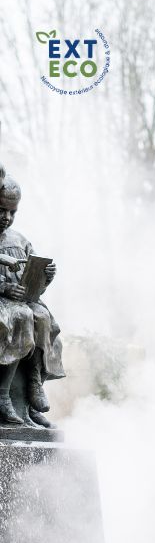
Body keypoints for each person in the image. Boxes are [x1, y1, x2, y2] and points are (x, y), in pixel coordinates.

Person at [0, 171, 64, 426]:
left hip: (22, 301)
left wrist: (45, 276)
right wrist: (4, 288)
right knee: (22, 316)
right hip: (5, 304)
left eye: (12, 213)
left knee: (42, 316)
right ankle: (4, 396)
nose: (7, 218)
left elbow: (32, 274)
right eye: (1, 210)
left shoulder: (19, 240)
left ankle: (30, 391)